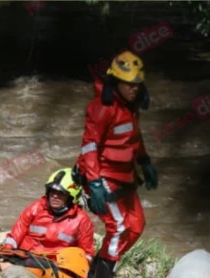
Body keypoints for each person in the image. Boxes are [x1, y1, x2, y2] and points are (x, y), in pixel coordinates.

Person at [73, 50, 159, 278]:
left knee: (137, 226)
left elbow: (133, 137)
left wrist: (145, 161)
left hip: (124, 176)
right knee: (119, 228)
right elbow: (89, 146)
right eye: (129, 84)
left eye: (138, 84)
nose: (134, 89)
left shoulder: (131, 107)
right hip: (102, 177)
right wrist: (95, 183)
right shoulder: (102, 108)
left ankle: (100, 266)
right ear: (116, 82)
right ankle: (102, 274)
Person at [4, 168, 96, 263]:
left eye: (61, 193)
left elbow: (86, 254)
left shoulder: (82, 220)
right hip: (26, 256)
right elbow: (15, 235)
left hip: (57, 265)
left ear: (71, 197)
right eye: (53, 191)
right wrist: (7, 251)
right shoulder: (35, 208)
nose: (55, 196)